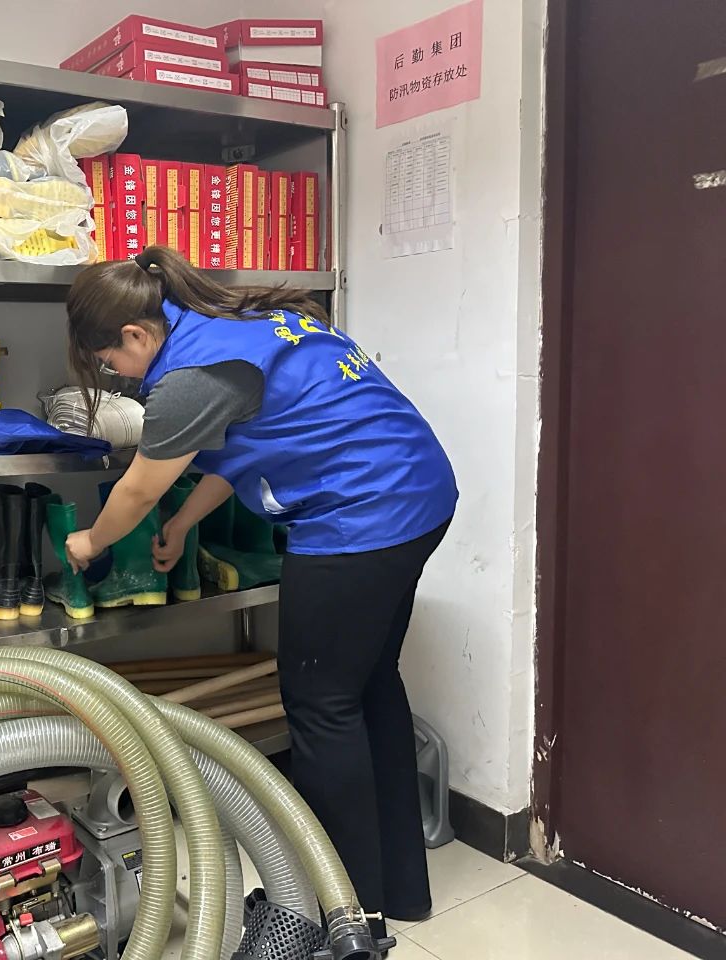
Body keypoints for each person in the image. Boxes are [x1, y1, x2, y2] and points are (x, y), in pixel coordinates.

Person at [62, 245, 457, 939]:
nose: (118, 376)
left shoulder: (189, 376)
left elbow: (137, 490)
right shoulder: (233, 322)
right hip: (418, 493)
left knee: (320, 705)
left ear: (134, 334)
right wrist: (183, 523)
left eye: (109, 363)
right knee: (367, 684)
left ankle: (345, 919)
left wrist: (89, 542)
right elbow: (250, 447)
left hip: (359, 517)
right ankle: (399, 886)